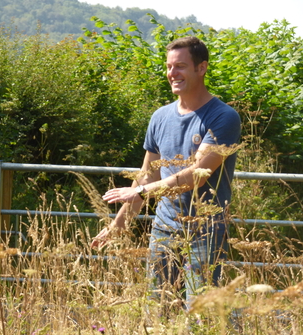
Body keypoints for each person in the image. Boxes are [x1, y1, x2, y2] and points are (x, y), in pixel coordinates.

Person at [90, 36, 242, 307]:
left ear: (202, 68)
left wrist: (141, 190)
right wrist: (117, 226)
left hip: (205, 231)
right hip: (164, 227)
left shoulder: (224, 117)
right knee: (159, 307)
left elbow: (198, 174)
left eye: (180, 66)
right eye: (169, 66)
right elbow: (147, 175)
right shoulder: (160, 117)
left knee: (200, 312)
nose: (172, 73)